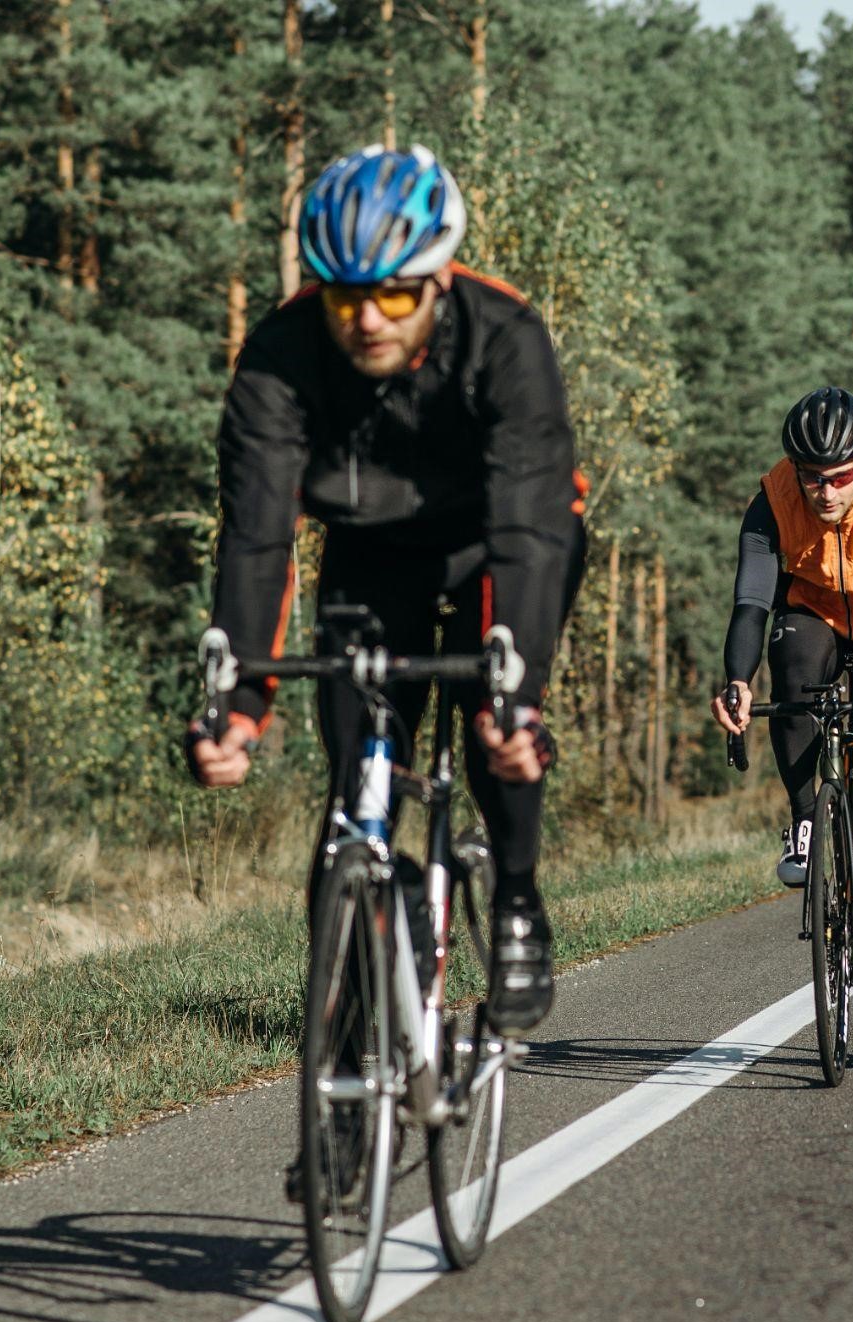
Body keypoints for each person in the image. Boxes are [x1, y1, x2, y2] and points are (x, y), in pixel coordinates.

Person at [185, 143, 586, 1050]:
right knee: (352, 793)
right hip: (372, 560)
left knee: (497, 728)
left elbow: (532, 531)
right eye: (344, 297)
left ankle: (518, 902)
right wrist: (240, 704)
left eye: (394, 294)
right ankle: (349, 1081)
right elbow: (257, 535)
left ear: (439, 279)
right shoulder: (281, 358)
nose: (367, 319)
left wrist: (518, 698)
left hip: (500, 546)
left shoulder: (506, 336)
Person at [711, 387, 853, 1027]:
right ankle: (806, 814)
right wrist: (736, 678)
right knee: (791, 666)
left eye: (840, 477)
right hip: (812, 611)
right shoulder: (772, 499)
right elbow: (751, 603)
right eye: (811, 477)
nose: (825, 491)